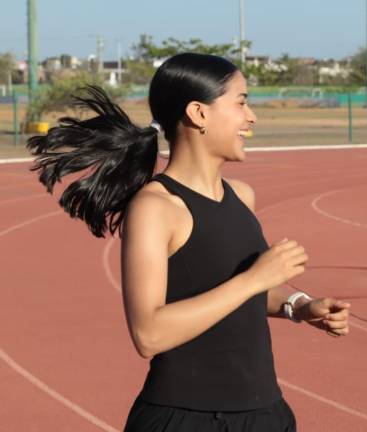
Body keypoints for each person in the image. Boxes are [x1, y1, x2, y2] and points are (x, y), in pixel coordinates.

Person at [27, 53, 350, 432]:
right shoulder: (156, 207)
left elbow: (247, 291)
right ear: (198, 113)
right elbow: (149, 334)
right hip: (186, 418)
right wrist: (254, 279)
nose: (251, 117)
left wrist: (299, 306)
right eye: (241, 103)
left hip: (265, 413)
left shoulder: (242, 195)